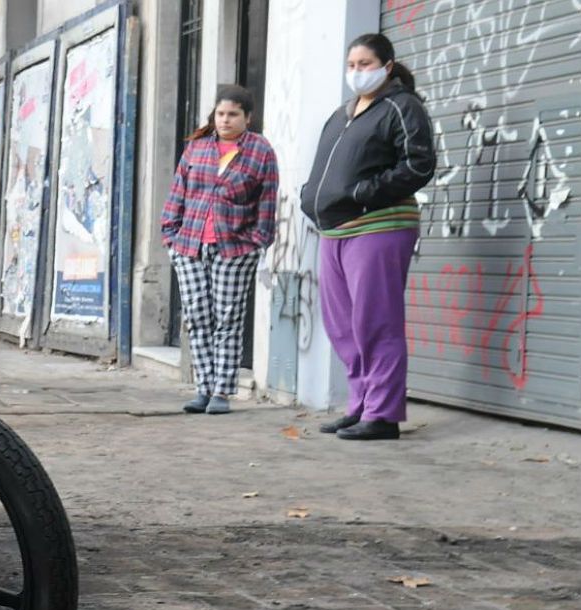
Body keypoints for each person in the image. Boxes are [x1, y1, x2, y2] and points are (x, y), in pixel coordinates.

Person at [301, 33, 435, 440]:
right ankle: (360, 405)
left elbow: (419, 164)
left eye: (365, 64)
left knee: (376, 322)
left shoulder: (402, 107)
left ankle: (383, 414)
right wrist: (312, 198)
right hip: (333, 230)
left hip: (379, 226)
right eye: (352, 65)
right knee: (343, 326)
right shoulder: (343, 113)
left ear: (386, 67)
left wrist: (363, 192)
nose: (356, 72)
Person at [161, 85, 279, 415]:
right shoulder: (196, 149)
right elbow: (177, 193)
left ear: (247, 117)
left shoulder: (260, 151)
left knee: (228, 318)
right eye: (221, 114)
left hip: (235, 248)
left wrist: (257, 242)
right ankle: (202, 388)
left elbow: (267, 202)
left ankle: (221, 393)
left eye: (233, 115)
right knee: (197, 317)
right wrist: (169, 236)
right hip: (189, 245)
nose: (225, 120)